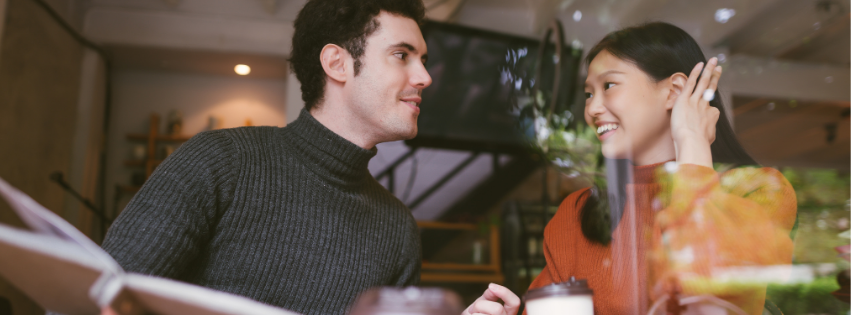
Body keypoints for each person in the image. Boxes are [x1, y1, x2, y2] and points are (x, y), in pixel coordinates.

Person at [100, 0, 431, 314]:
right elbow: (92, 298)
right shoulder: (221, 161)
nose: (424, 78)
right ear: (337, 63)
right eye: (402, 55)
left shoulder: (399, 230)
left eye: (423, 60)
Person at [466, 22, 797, 315]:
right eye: (587, 94)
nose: (593, 108)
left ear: (675, 91)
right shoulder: (577, 212)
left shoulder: (757, 189)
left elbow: (702, 287)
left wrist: (692, 143)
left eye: (609, 86)